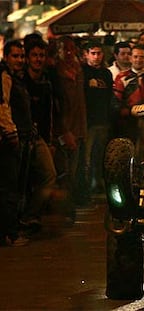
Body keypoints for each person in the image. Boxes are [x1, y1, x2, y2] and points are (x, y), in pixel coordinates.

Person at [20, 36, 58, 233]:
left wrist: (49, 140)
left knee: (48, 175)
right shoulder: (20, 80)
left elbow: (49, 113)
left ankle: (31, 215)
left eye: (41, 55)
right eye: (34, 55)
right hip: (19, 136)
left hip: (39, 137)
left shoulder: (47, 81)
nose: (38, 59)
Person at [53, 36, 88, 225]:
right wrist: (64, 131)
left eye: (71, 48)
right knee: (64, 172)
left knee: (73, 171)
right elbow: (58, 106)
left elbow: (80, 103)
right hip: (63, 130)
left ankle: (69, 208)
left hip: (78, 128)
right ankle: (66, 211)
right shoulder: (55, 72)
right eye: (64, 49)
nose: (68, 52)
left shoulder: (78, 70)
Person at [0, 40, 31, 246]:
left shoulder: (14, 77)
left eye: (21, 56)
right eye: (15, 56)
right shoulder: (4, 77)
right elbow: (3, 107)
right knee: (8, 188)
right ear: (6, 56)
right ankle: (10, 233)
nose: (19, 60)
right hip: (6, 140)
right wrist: (11, 133)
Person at [113, 44, 144, 160]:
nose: (138, 60)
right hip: (128, 121)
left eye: (141, 57)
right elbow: (116, 102)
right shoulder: (121, 78)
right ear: (130, 58)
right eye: (135, 57)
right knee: (128, 152)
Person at [82, 40, 113, 194]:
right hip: (88, 121)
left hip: (103, 120)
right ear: (86, 54)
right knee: (86, 156)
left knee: (100, 155)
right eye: (93, 53)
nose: (96, 57)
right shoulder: (83, 72)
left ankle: (97, 182)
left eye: (99, 53)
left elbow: (109, 97)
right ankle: (87, 185)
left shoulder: (106, 74)